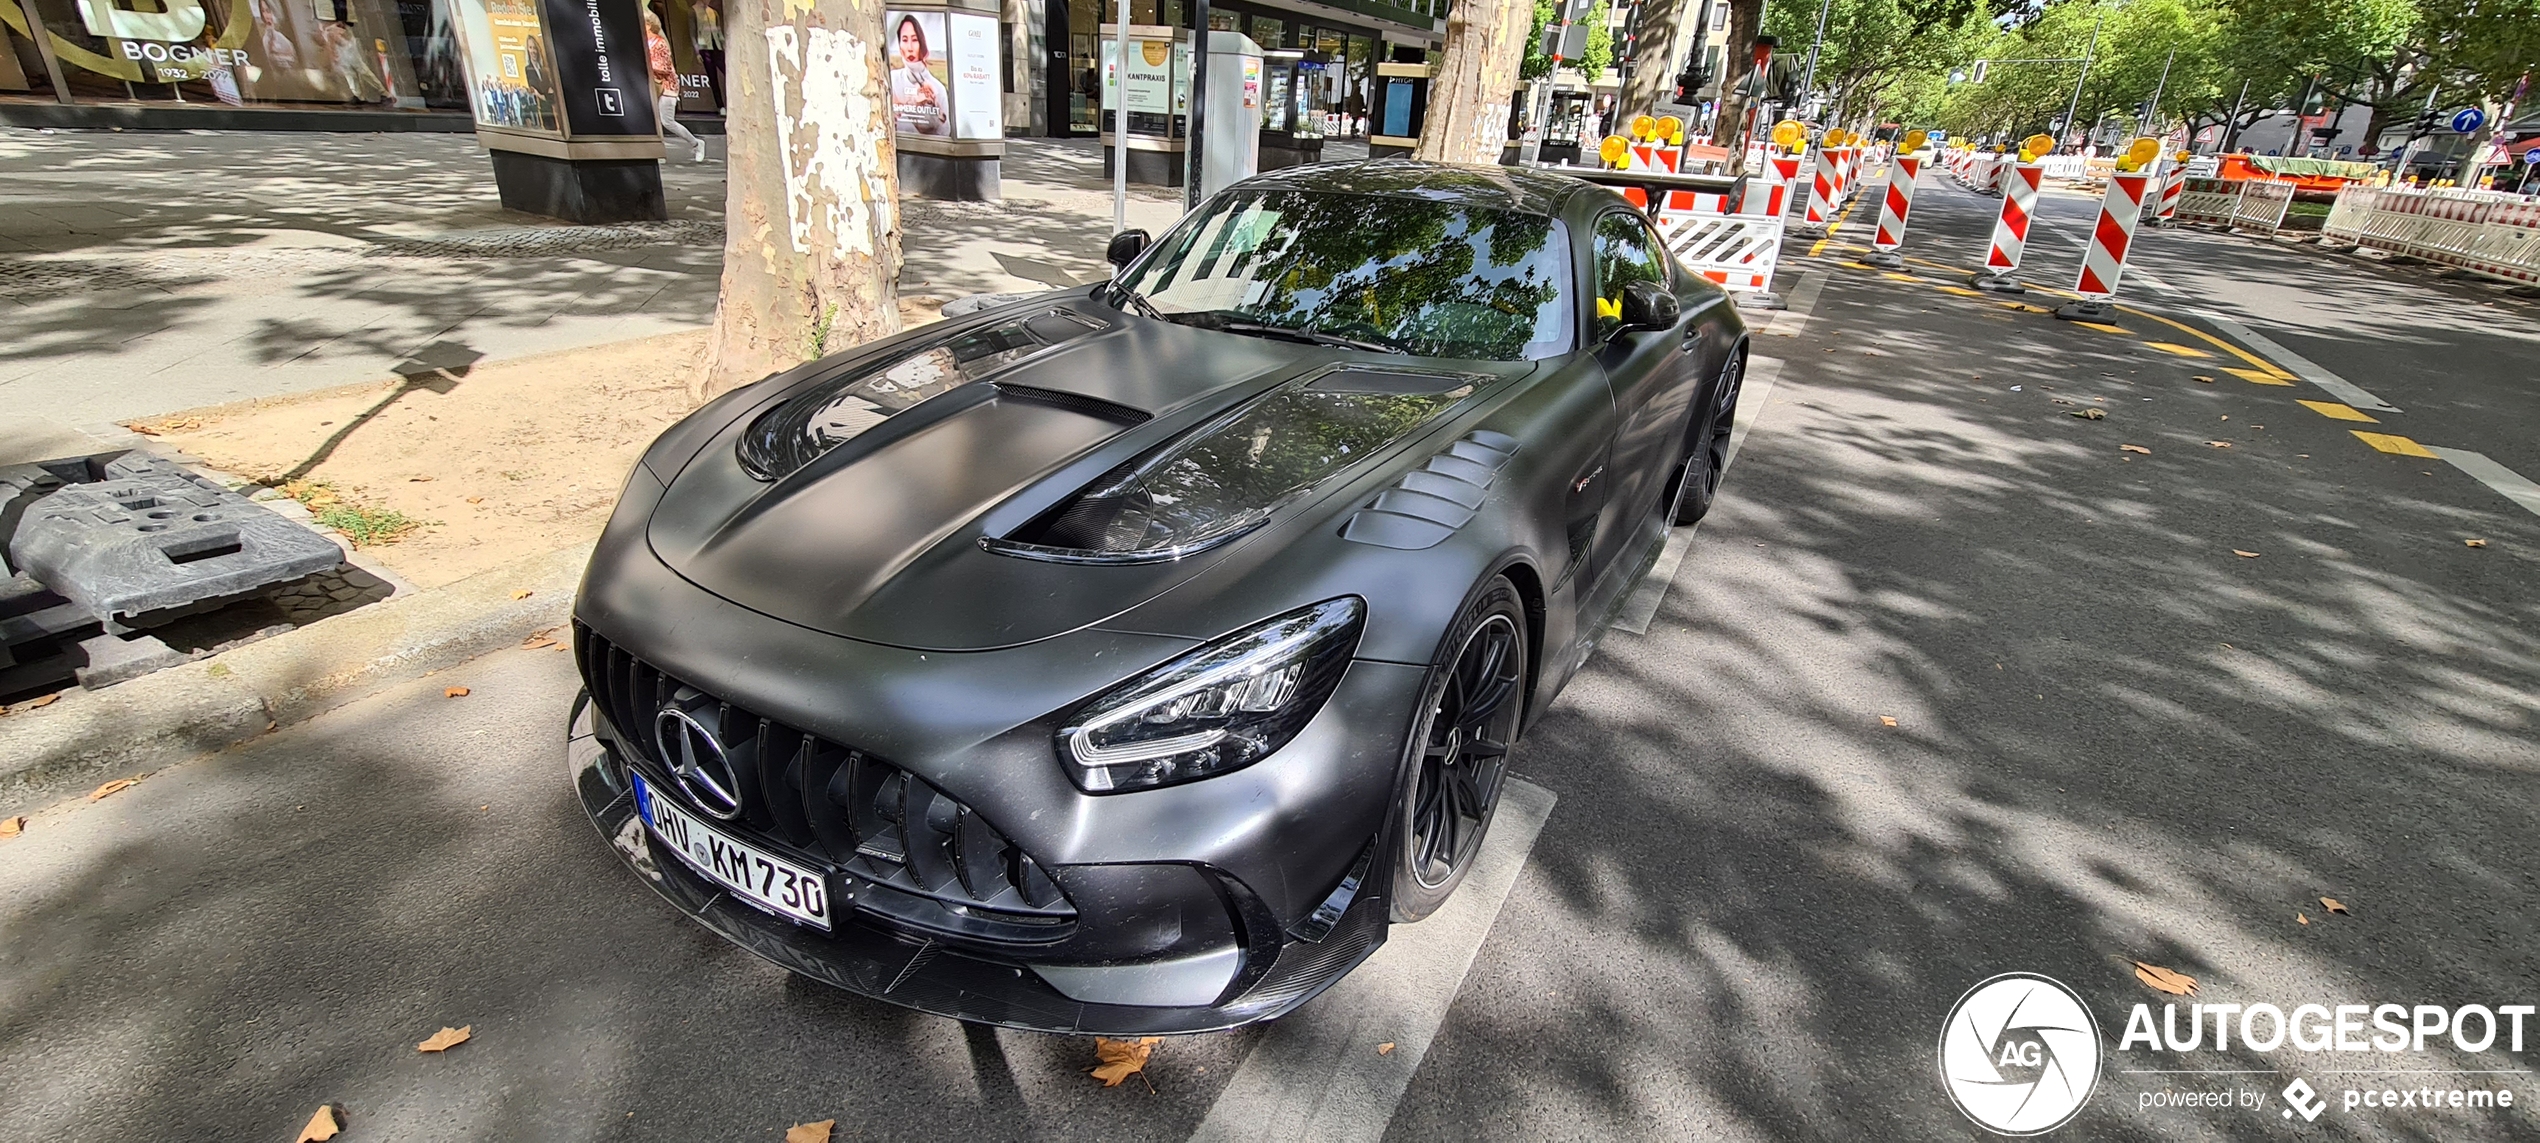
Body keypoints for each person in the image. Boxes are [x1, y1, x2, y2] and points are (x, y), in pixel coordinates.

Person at [646, 9, 706, 160]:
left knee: (667, 121)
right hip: (652, 85)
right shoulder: (646, 42)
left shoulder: (659, 43)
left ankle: (696, 143)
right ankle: (657, 152)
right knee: (652, 121)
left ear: (649, 25)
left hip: (666, 87)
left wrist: (646, 65)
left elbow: (665, 68)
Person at [890, 14, 950, 136]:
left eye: (915, 40)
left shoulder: (938, 89)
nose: (910, 47)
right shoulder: (892, 80)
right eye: (905, 40)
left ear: (921, 43)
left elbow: (945, 133)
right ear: (900, 45)